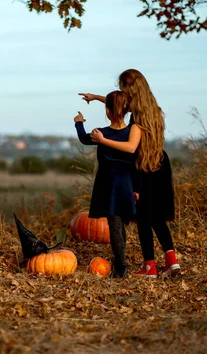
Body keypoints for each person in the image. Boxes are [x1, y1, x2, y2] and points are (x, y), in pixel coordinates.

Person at [79, 69, 180, 278]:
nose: (122, 91)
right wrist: (97, 98)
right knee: (157, 217)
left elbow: (129, 140)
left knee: (144, 217)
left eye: (123, 87)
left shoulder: (137, 117)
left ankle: (149, 266)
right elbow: (118, 105)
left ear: (129, 87)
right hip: (160, 162)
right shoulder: (154, 109)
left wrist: (102, 139)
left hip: (144, 167)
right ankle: (172, 262)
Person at [74, 90, 136, 278]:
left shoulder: (103, 134)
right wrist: (97, 98)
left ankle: (120, 267)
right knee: (118, 224)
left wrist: (78, 123)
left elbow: (84, 139)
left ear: (108, 112)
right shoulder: (132, 130)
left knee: (115, 224)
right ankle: (121, 262)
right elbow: (121, 106)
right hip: (127, 183)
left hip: (109, 184)